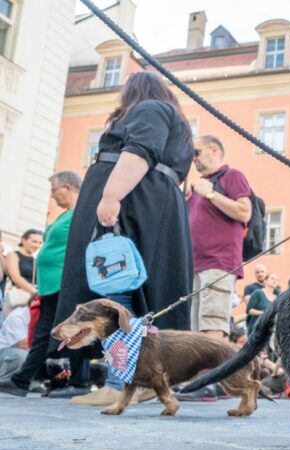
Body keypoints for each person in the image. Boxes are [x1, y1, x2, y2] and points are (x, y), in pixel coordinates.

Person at [54, 71, 194, 406]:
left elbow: (139, 152)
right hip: (147, 204)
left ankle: (122, 382)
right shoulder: (167, 115)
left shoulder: (148, 108)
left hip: (133, 205)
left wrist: (111, 196)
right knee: (134, 291)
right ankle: (140, 380)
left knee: (117, 289)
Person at [0, 172, 90, 398]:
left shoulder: (83, 212)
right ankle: (22, 380)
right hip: (51, 285)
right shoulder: (65, 215)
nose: (52, 196)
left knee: (75, 329)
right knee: (42, 332)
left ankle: (80, 382)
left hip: (67, 282)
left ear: (69, 188)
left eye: (54, 191)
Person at [187, 134, 252, 341]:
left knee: (212, 325)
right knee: (196, 330)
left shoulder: (231, 176)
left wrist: (211, 195)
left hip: (218, 263)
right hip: (196, 265)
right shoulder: (199, 186)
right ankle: (204, 373)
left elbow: (244, 212)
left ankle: (214, 374)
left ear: (214, 151)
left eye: (197, 152)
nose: (193, 158)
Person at [2, 229, 42, 317]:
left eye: (40, 242)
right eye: (34, 241)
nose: (37, 245)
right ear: (23, 240)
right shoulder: (13, 255)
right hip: (17, 298)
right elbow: (15, 277)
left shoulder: (35, 261)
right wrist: (35, 292)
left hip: (31, 301)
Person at [0, 303, 30, 384]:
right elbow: (22, 344)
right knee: (24, 355)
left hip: (22, 351)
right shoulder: (18, 316)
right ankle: (4, 381)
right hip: (5, 352)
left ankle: (32, 382)